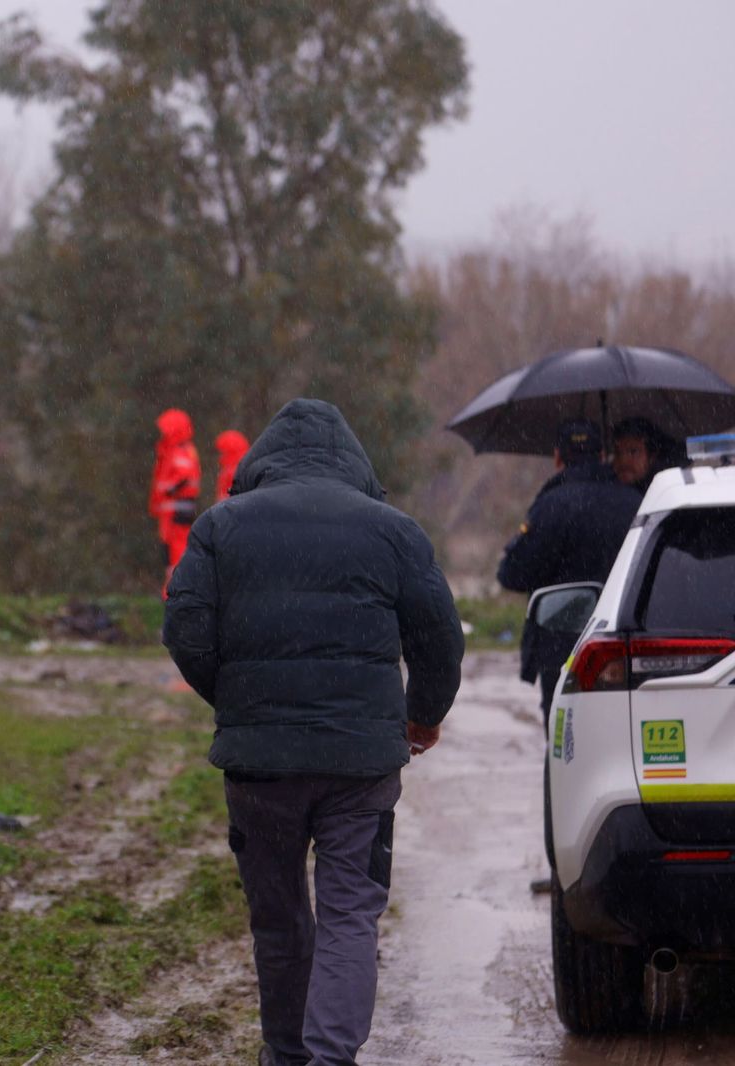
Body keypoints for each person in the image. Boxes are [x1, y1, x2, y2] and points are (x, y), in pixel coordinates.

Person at [164, 399, 463, 1066]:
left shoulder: (220, 529)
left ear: (261, 462)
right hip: (360, 767)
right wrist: (424, 714)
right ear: (353, 462)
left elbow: (183, 629)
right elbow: (439, 637)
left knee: (278, 918)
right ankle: (329, 1059)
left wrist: (243, 700)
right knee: (349, 913)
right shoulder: (394, 532)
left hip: (259, 765)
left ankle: (284, 1054)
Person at [497, 418, 640, 716]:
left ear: (558, 458)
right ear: (603, 456)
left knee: (565, 741)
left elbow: (512, 574)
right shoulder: (636, 503)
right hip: (628, 639)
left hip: (563, 646)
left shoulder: (549, 506)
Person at [149, 408, 203, 587]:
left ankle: (177, 589)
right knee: (170, 550)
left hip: (176, 510)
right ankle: (174, 588)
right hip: (174, 510)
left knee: (176, 550)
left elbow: (182, 478)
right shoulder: (178, 450)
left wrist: (167, 490)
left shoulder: (180, 451)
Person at [610, 415, 685, 493]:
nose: (623, 461)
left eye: (633, 452)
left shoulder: (668, 489)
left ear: (652, 457)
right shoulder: (609, 488)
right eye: (618, 453)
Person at [214, 428, 250, 502]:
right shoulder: (247, 467)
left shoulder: (229, 472)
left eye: (221, 452)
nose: (220, 455)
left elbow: (223, 499)